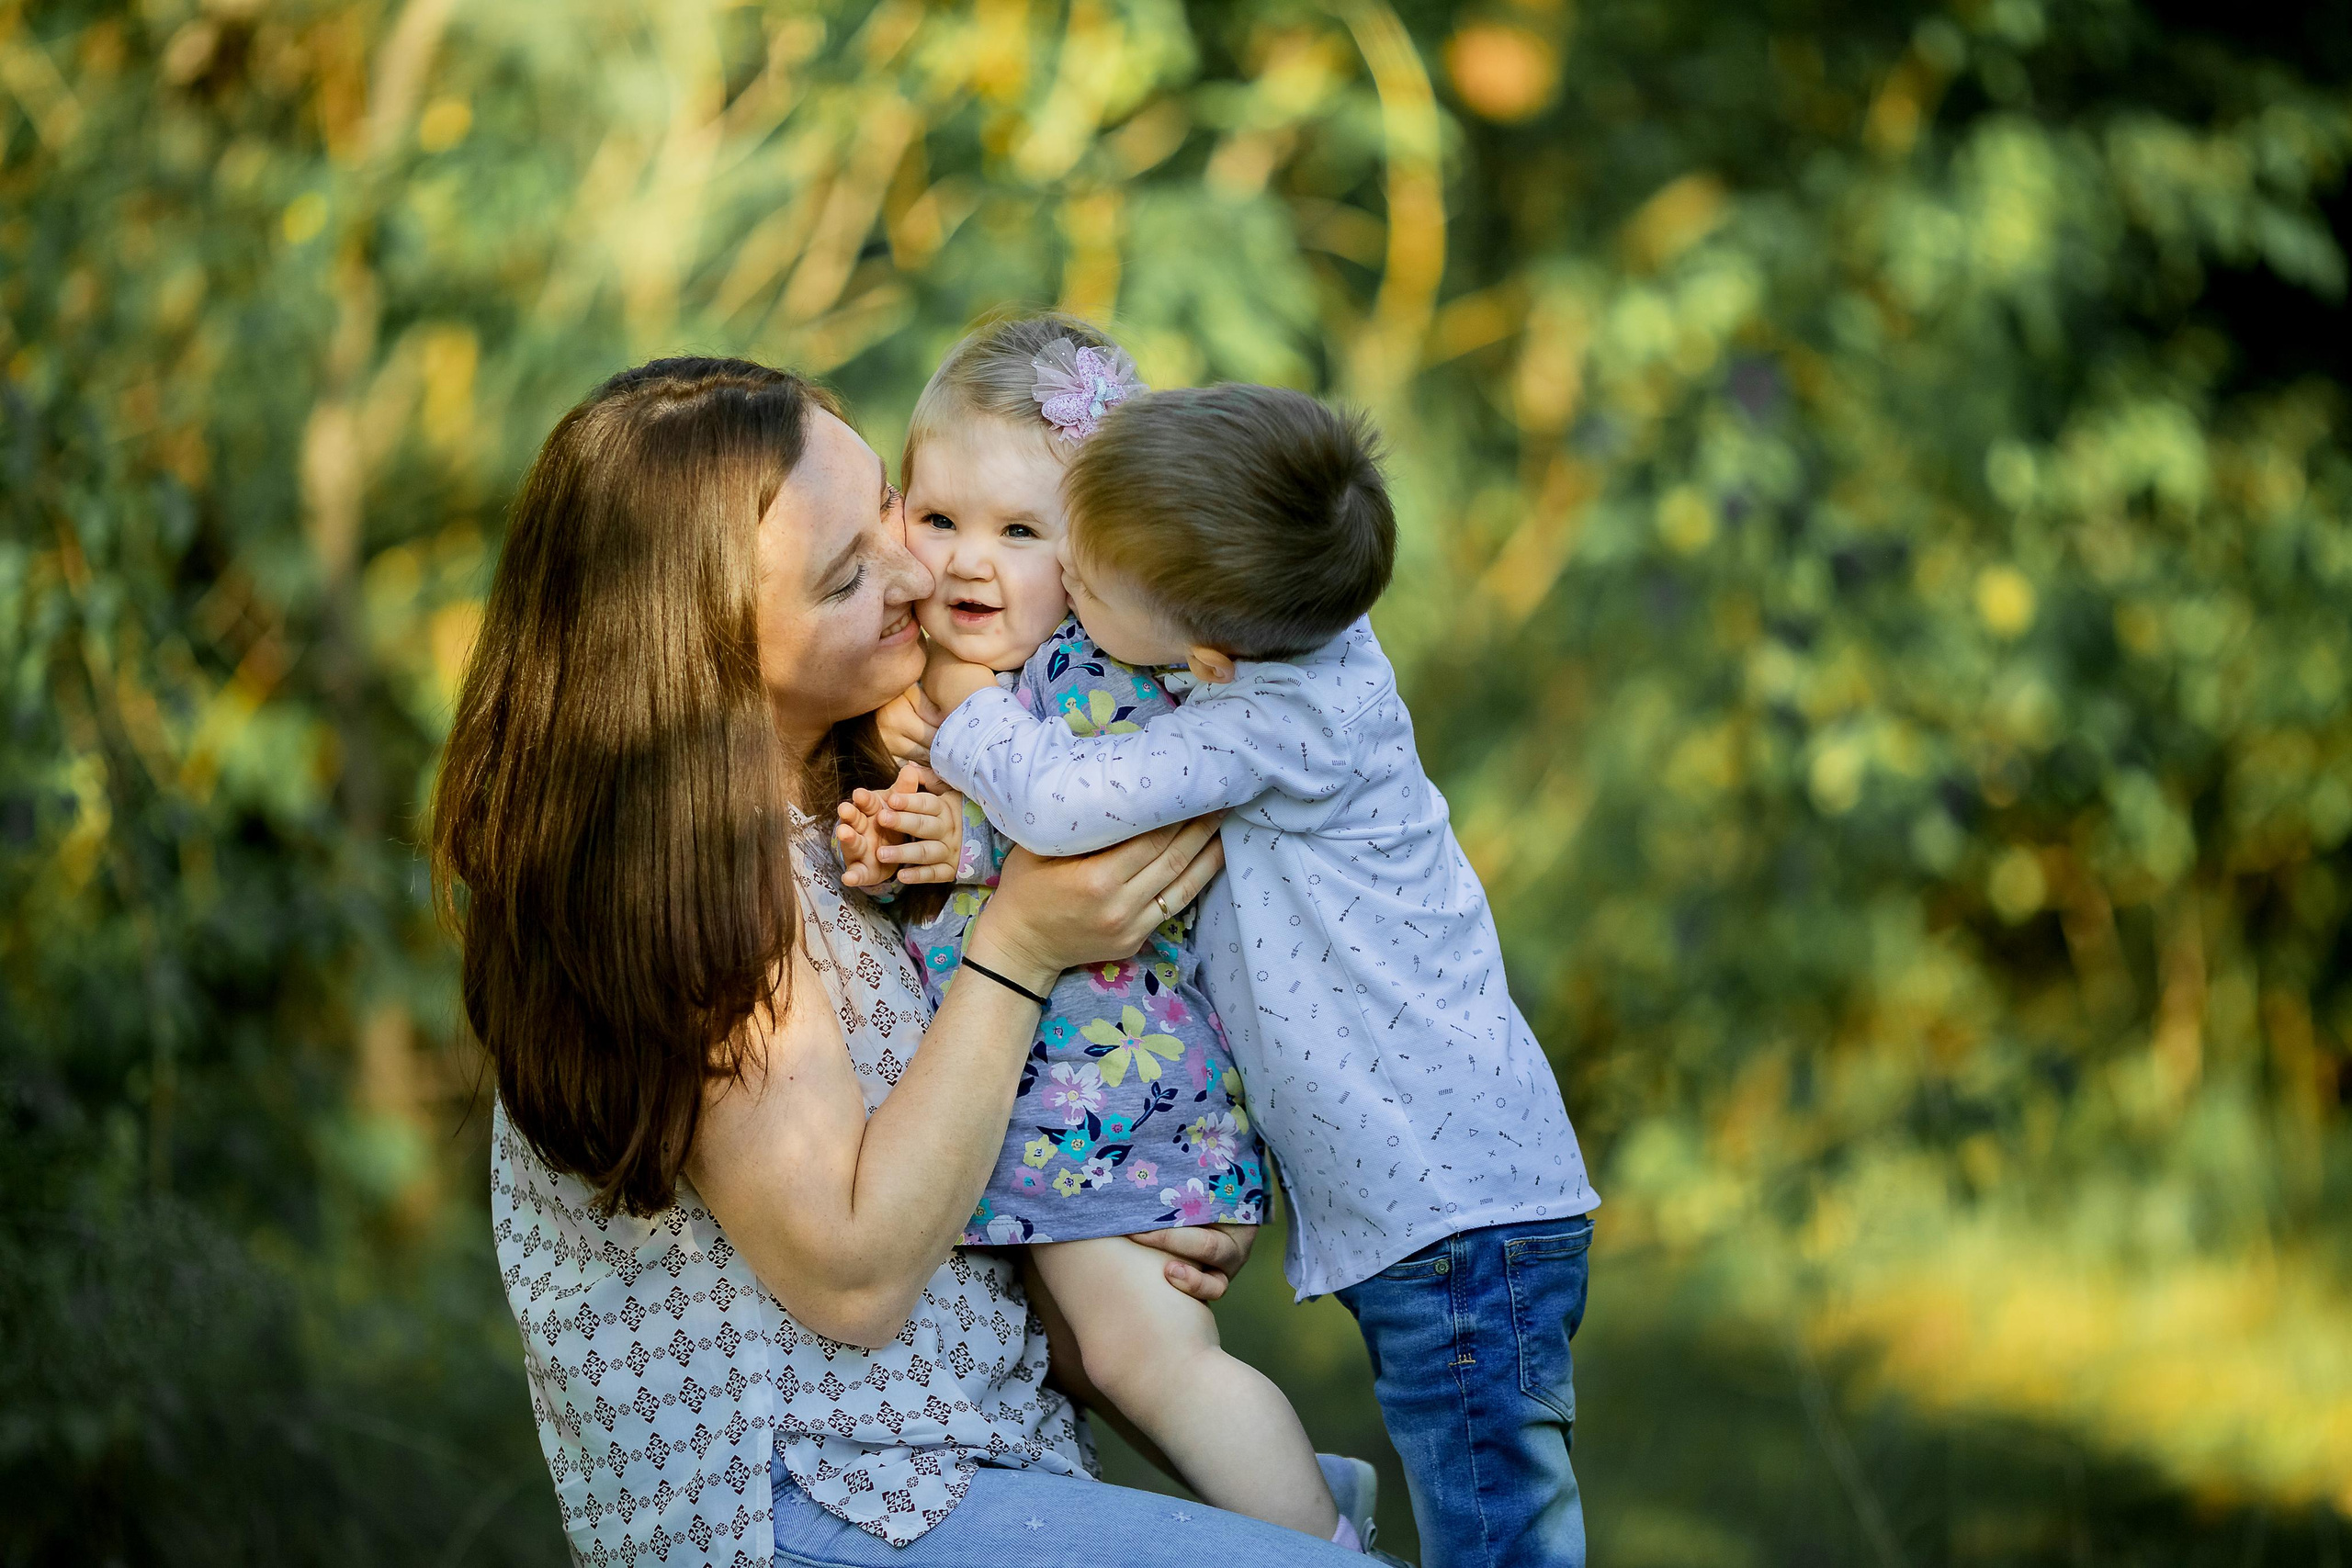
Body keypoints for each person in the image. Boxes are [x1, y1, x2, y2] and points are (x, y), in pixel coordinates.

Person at [429, 357, 1367, 1566]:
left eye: (892, 508)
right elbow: (856, 1281)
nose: (921, 572)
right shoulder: (674, 883)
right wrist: (1022, 942)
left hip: (970, 1465)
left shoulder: (881, 806)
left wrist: (1118, 1212)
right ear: (692, 644)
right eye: (846, 577)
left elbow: (959, 1191)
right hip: (809, 1505)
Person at [902, 381, 1602, 1568]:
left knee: (1498, 1530)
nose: (1064, 577)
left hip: (1458, 1219)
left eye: (1089, 581)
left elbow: (1064, 802)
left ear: (1207, 660)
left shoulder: (1270, 725)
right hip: (1446, 1201)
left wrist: (967, 705)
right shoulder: (1297, 627)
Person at [829, 314, 1366, 1550]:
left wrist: (961, 836)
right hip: (1030, 1116)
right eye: (939, 517)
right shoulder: (916, 680)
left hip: (1113, 1095)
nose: (970, 562)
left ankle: (1330, 1548)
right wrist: (895, 837)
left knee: (1140, 1356)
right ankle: (1314, 1500)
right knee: (1095, 1357)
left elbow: (1111, 846)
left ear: (1093, 555)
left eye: (1022, 533)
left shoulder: (1103, 677)